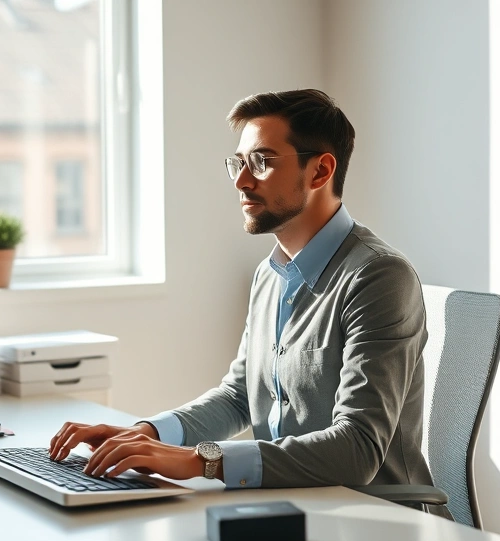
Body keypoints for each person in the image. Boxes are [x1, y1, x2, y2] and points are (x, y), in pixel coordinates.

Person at [49, 88, 433, 491]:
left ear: (320, 172)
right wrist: (148, 433)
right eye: (239, 163)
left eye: (262, 162)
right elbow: (240, 397)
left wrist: (202, 461)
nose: (242, 181)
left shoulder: (378, 277)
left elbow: (358, 448)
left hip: (376, 519)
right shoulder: (270, 274)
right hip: (291, 506)